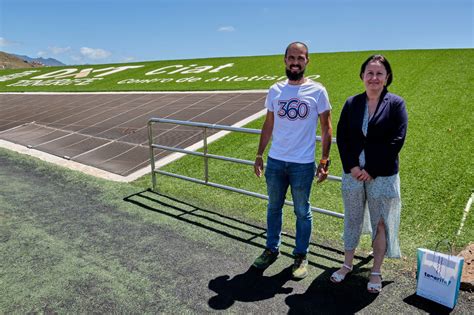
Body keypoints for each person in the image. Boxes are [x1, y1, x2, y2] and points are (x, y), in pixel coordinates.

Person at [252, 42, 333, 279]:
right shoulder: (275, 90)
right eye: (291, 58)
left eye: (300, 58)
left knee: (302, 211)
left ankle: (300, 255)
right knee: (273, 207)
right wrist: (259, 154)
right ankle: (271, 249)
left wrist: (325, 159)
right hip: (276, 161)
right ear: (285, 60)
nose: (295, 62)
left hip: (302, 164)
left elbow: (327, 128)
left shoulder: (318, 91)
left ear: (307, 61)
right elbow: (268, 124)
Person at [331, 54, 408, 293]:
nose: (374, 78)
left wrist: (372, 169)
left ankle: (375, 271)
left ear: (387, 78)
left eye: (379, 73)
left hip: (382, 175)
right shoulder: (352, 103)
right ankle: (347, 264)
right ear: (362, 76)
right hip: (352, 174)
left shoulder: (396, 103)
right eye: (370, 73)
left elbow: (397, 139)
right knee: (352, 217)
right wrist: (353, 167)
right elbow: (342, 137)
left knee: (381, 223)